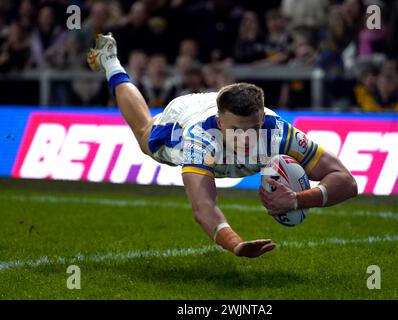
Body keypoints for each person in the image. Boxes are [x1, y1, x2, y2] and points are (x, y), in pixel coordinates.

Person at [87, 33, 358, 258]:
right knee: (146, 138)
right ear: (219, 122)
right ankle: (111, 62)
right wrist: (235, 244)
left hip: (224, 105)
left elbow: (346, 182)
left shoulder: (278, 132)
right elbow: (203, 206)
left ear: (262, 118)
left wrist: (298, 199)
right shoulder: (199, 140)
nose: (245, 139)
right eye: (235, 131)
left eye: (252, 129)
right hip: (186, 113)